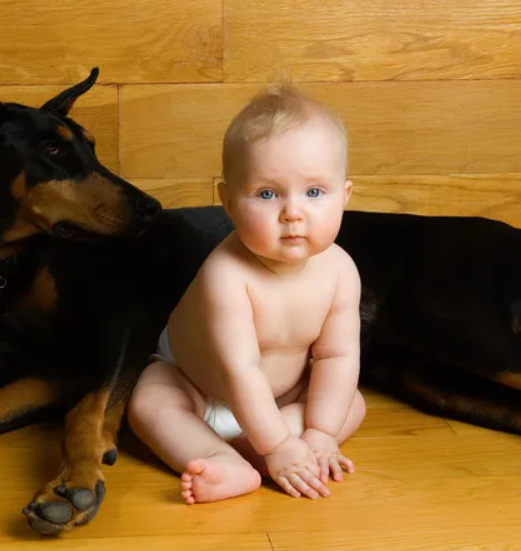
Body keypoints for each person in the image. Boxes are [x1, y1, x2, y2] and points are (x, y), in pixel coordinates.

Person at [127, 84, 365, 504]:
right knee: (148, 403)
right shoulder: (225, 274)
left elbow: (337, 357)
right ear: (229, 201)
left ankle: (281, 448)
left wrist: (321, 432)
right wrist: (278, 443)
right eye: (267, 194)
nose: (293, 213)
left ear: (344, 197)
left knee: (351, 403)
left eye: (314, 192)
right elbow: (240, 369)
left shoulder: (341, 272)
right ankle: (224, 457)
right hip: (196, 387)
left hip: (280, 399)